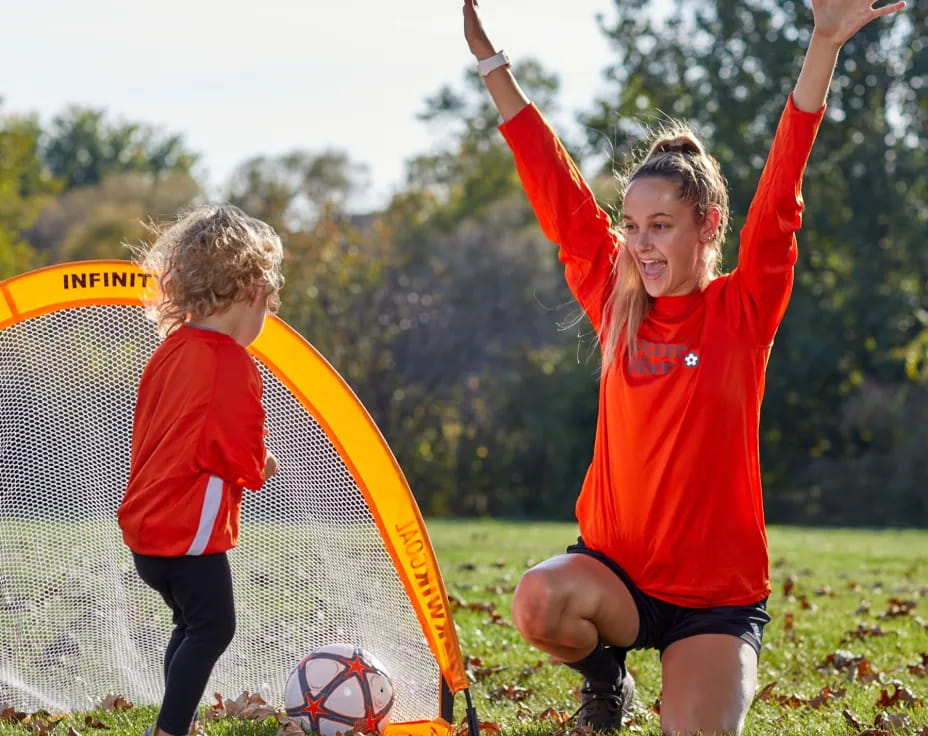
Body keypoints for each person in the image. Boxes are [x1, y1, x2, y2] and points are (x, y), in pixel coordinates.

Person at [462, 1, 905, 734]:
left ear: (709, 226)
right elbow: (557, 191)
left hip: (714, 600)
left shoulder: (744, 308)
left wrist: (822, 46)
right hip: (616, 579)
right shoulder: (615, 298)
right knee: (538, 600)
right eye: (631, 227)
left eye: (659, 226)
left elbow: (782, 189)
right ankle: (607, 682)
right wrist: (491, 65)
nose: (639, 244)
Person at [117, 204, 284, 736]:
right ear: (254, 289)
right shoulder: (230, 361)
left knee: (191, 625)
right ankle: (168, 731)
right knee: (214, 627)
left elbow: (179, 428)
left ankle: (178, 722)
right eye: (271, 306)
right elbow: (237, 454)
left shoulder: (172, 348)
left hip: (149, 534)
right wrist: (261, 462)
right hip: (188, 537)